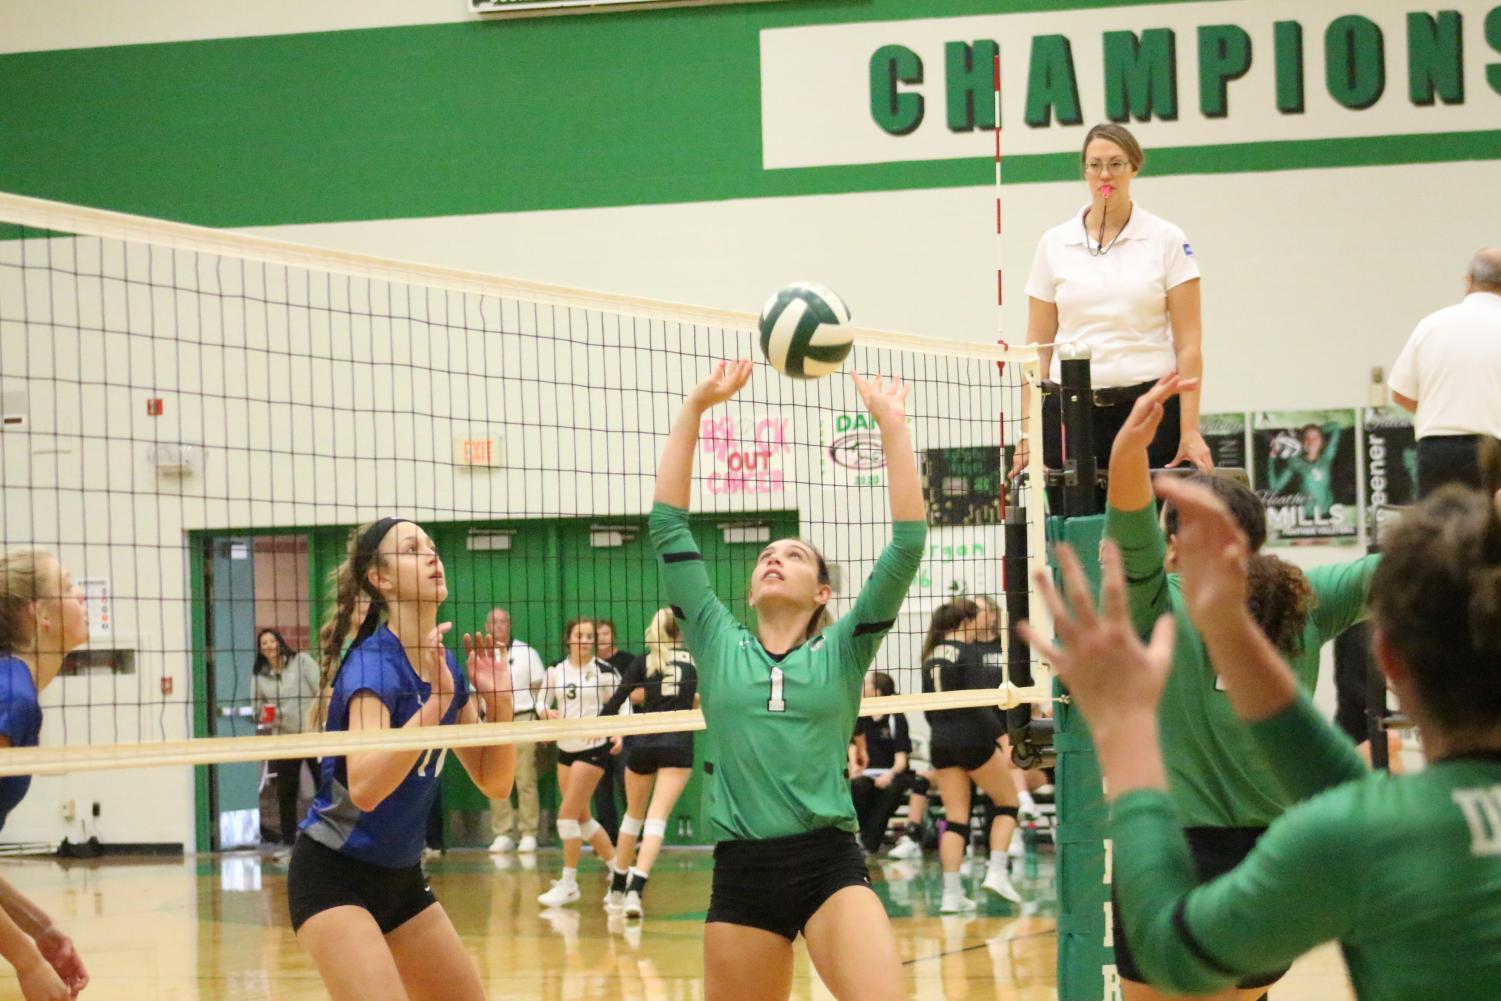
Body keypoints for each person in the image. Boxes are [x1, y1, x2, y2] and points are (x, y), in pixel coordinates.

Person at [1023, 477, 1501, 999]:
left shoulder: (1362, 832)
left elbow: (1170, 950)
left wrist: (1127, 730)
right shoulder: (1362, 819)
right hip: (1264, 839)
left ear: (1389, 660)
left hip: (1194, 844)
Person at [651, 359, 925, 1001]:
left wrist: (892, 430)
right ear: (749, 591)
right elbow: (668, 526)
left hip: (828, 863)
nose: (775, 557)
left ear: (822, 591)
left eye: (794, 554)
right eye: (766, 556)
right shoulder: (717, 641)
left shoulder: (843, 649)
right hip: (742, 871)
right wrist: (694, 408)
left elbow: (907, 545)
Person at [1100, 375, 1379, 1001]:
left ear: (1173, 543)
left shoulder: (1157, 601)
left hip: (1170, 853)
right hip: (1276, 861)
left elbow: (1125, 526)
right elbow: (1406, 563)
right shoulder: (1305, 598)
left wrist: (1127, 450)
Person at [288, 518, 517, 1001]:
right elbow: (366, 789)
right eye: (414, 549)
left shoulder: (444, 664)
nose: (433, 556)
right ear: (381, 578)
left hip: (402, 877)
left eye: (432, 547)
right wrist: (438, 704)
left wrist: (501, 704)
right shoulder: (373, 664)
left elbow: (494, 782)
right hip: (335, 875)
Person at [1015, 122, 1210, 495]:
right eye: (1095, 164)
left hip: (1147, 410)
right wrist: (1029, 435)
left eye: (1116, 164)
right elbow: (1036, 349)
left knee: (1143, 536)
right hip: (1069, 413)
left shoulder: (1167, 239)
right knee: (1074, 533)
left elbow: (1189, 346)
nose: (1105, 174)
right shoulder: (1054, 244)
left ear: (1134, 167)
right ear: (1085, 171)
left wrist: (1190, 430)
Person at [0, 550, 91, 1000]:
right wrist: (27, 961)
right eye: (69, 585)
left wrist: (40, 928)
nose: (81, 595)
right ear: (41, 615)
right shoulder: (10, 698)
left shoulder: (16, 692)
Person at [920, 601, 1022, 911]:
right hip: (972, 738)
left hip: (940, 740)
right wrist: (1004, 740)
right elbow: (980, 705)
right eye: (979, 617)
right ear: (966, 620)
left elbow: (927, 707)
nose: (984, 622)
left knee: (956, 818)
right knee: (1009, 801)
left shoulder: (930, 656)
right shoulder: (969, 653)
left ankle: (951, 895)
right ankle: (996, 873)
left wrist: (943, 733)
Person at [600, 608, 699, 919]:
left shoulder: (643, 662)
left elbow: (616, 702)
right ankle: (635, 891)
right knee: (657, 819)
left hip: (643, 743)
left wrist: (596, 727)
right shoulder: (695, 661)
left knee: (633, 815)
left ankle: (617, 886)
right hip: (679, 744)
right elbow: (701, 697)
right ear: (680, 631)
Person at [1388, 247, 1501, 495]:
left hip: (1437, 450)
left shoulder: (1430, 325)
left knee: (1439, 529)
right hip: (1494, 451)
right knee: (1491, 529)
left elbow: (1399, 392)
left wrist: (1439, 410)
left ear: (1470, 281)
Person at [535, 617, 622, 909]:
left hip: (592, 748)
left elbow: (623, 705)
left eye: (589, 636)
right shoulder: (555, 672)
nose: (585, 640)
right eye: (580, 635)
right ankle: (619, 872)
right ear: (568, 639)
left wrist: (619, 732)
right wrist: (545, 713)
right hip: (565, 748)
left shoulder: (605, 672)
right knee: (582, 819)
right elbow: (540, 702)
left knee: (565, 817)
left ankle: (569, 882)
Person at [252, 628, 321, 848]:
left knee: (324, 785)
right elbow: (256, 710)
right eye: (264, 643)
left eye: (272, 641)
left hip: (312, 735)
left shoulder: (301, 661)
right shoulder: (259, 676)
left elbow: (321, 690)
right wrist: (265, 714)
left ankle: (326, 835)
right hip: (284, 739)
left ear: (280, 642)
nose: (269, 645)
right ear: (260, 650)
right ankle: (289, 840)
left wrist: (322, 721)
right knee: (286, 791)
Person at [486, 606, 546, 855]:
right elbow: (476, 693)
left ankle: (529, 832)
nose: (499, 626)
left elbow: (539, 687)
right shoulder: (482, 654)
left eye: (503, 622)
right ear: (487, 627)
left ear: (509, 625)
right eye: (494, 622)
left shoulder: (526, 652)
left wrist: (538, 720)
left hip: (522, 718)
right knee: (496, 780)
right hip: (494, 722)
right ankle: (502, 832)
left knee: (525, 777)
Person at [846, 672, 911, 855]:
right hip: (865, 773)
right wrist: (854, 767)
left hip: (892, 772)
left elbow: (901, 761)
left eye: (866, 683)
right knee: (858, 787)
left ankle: (869, 843)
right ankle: (859, 837)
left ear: (876, 691)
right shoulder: (859, 714)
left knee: (889, 790)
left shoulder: (895, 717)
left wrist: (888, 775)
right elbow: (853, 750)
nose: (862, 686)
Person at [592, 618, 635, 842]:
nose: (602, 639)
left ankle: (635, 837)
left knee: (628, 785)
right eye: (597, 635)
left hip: (624, 730)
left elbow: (640, 694)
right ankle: (609, 838)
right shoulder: (589, 667)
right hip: (598, 732)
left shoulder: (628, 661)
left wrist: (617, 697)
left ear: (614, 636)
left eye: (606, 634)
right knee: (601, 789)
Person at [1266, 422, 1343, 519]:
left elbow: (1335, 427)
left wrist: (1313, 430)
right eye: (1307, 438)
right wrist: (1272, 459)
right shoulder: (1294, 462)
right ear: (1301, 442)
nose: (1311, 442)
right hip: (1306, 516)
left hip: (1327, 513)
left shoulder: (1327, 456)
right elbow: (1275, 486)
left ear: (1322, 442)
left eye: (1315, 438)